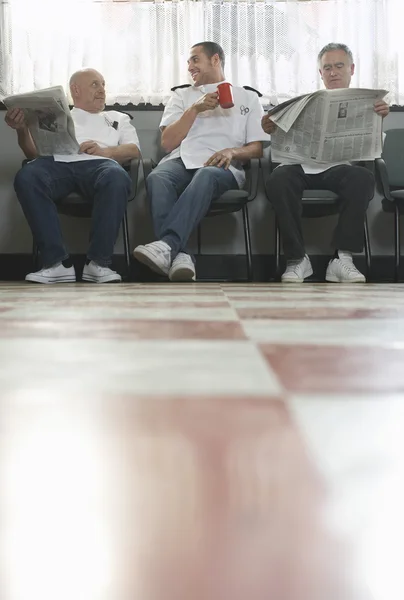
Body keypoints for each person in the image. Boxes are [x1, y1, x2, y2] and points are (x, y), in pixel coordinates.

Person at [133, 41, 269, 282]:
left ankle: (168, 245)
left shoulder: (247, 97)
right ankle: (180, 255)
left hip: (223, 166)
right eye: (188, 62)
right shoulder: (181, 95)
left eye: (195, 59)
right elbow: (167, 143)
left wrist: (232, 152)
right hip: (182, 160)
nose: (190, 67)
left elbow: (257, 149)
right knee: (157, 177)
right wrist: (194, 109)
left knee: (206, 174)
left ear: (215, 60)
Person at [262, 43, 390, 283]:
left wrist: (379, 117)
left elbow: (371, 147)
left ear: (351, 69)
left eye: (339, 66)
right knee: (278, 179)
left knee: (363, 178)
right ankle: (297, 260)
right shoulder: (303, 102)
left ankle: (342, 259)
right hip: (299, 167)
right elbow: (276, 133)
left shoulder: (371, 103)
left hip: (340, 168)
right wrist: (269, 126)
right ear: (320, 73)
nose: (333, 72)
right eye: (327, 67)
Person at [5, 68, 140, 284]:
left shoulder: (117, 117)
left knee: (117, 176)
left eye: (104, 85)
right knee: (28, 176)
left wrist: (106, 152)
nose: (102, 90)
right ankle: (56, 264)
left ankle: (98, 264)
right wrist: (21, 129)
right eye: (95, 84)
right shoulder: (56, 116)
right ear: (75, 89)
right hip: (58, 165)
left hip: (100, 165)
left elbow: (134, 150)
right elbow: (33, 155)